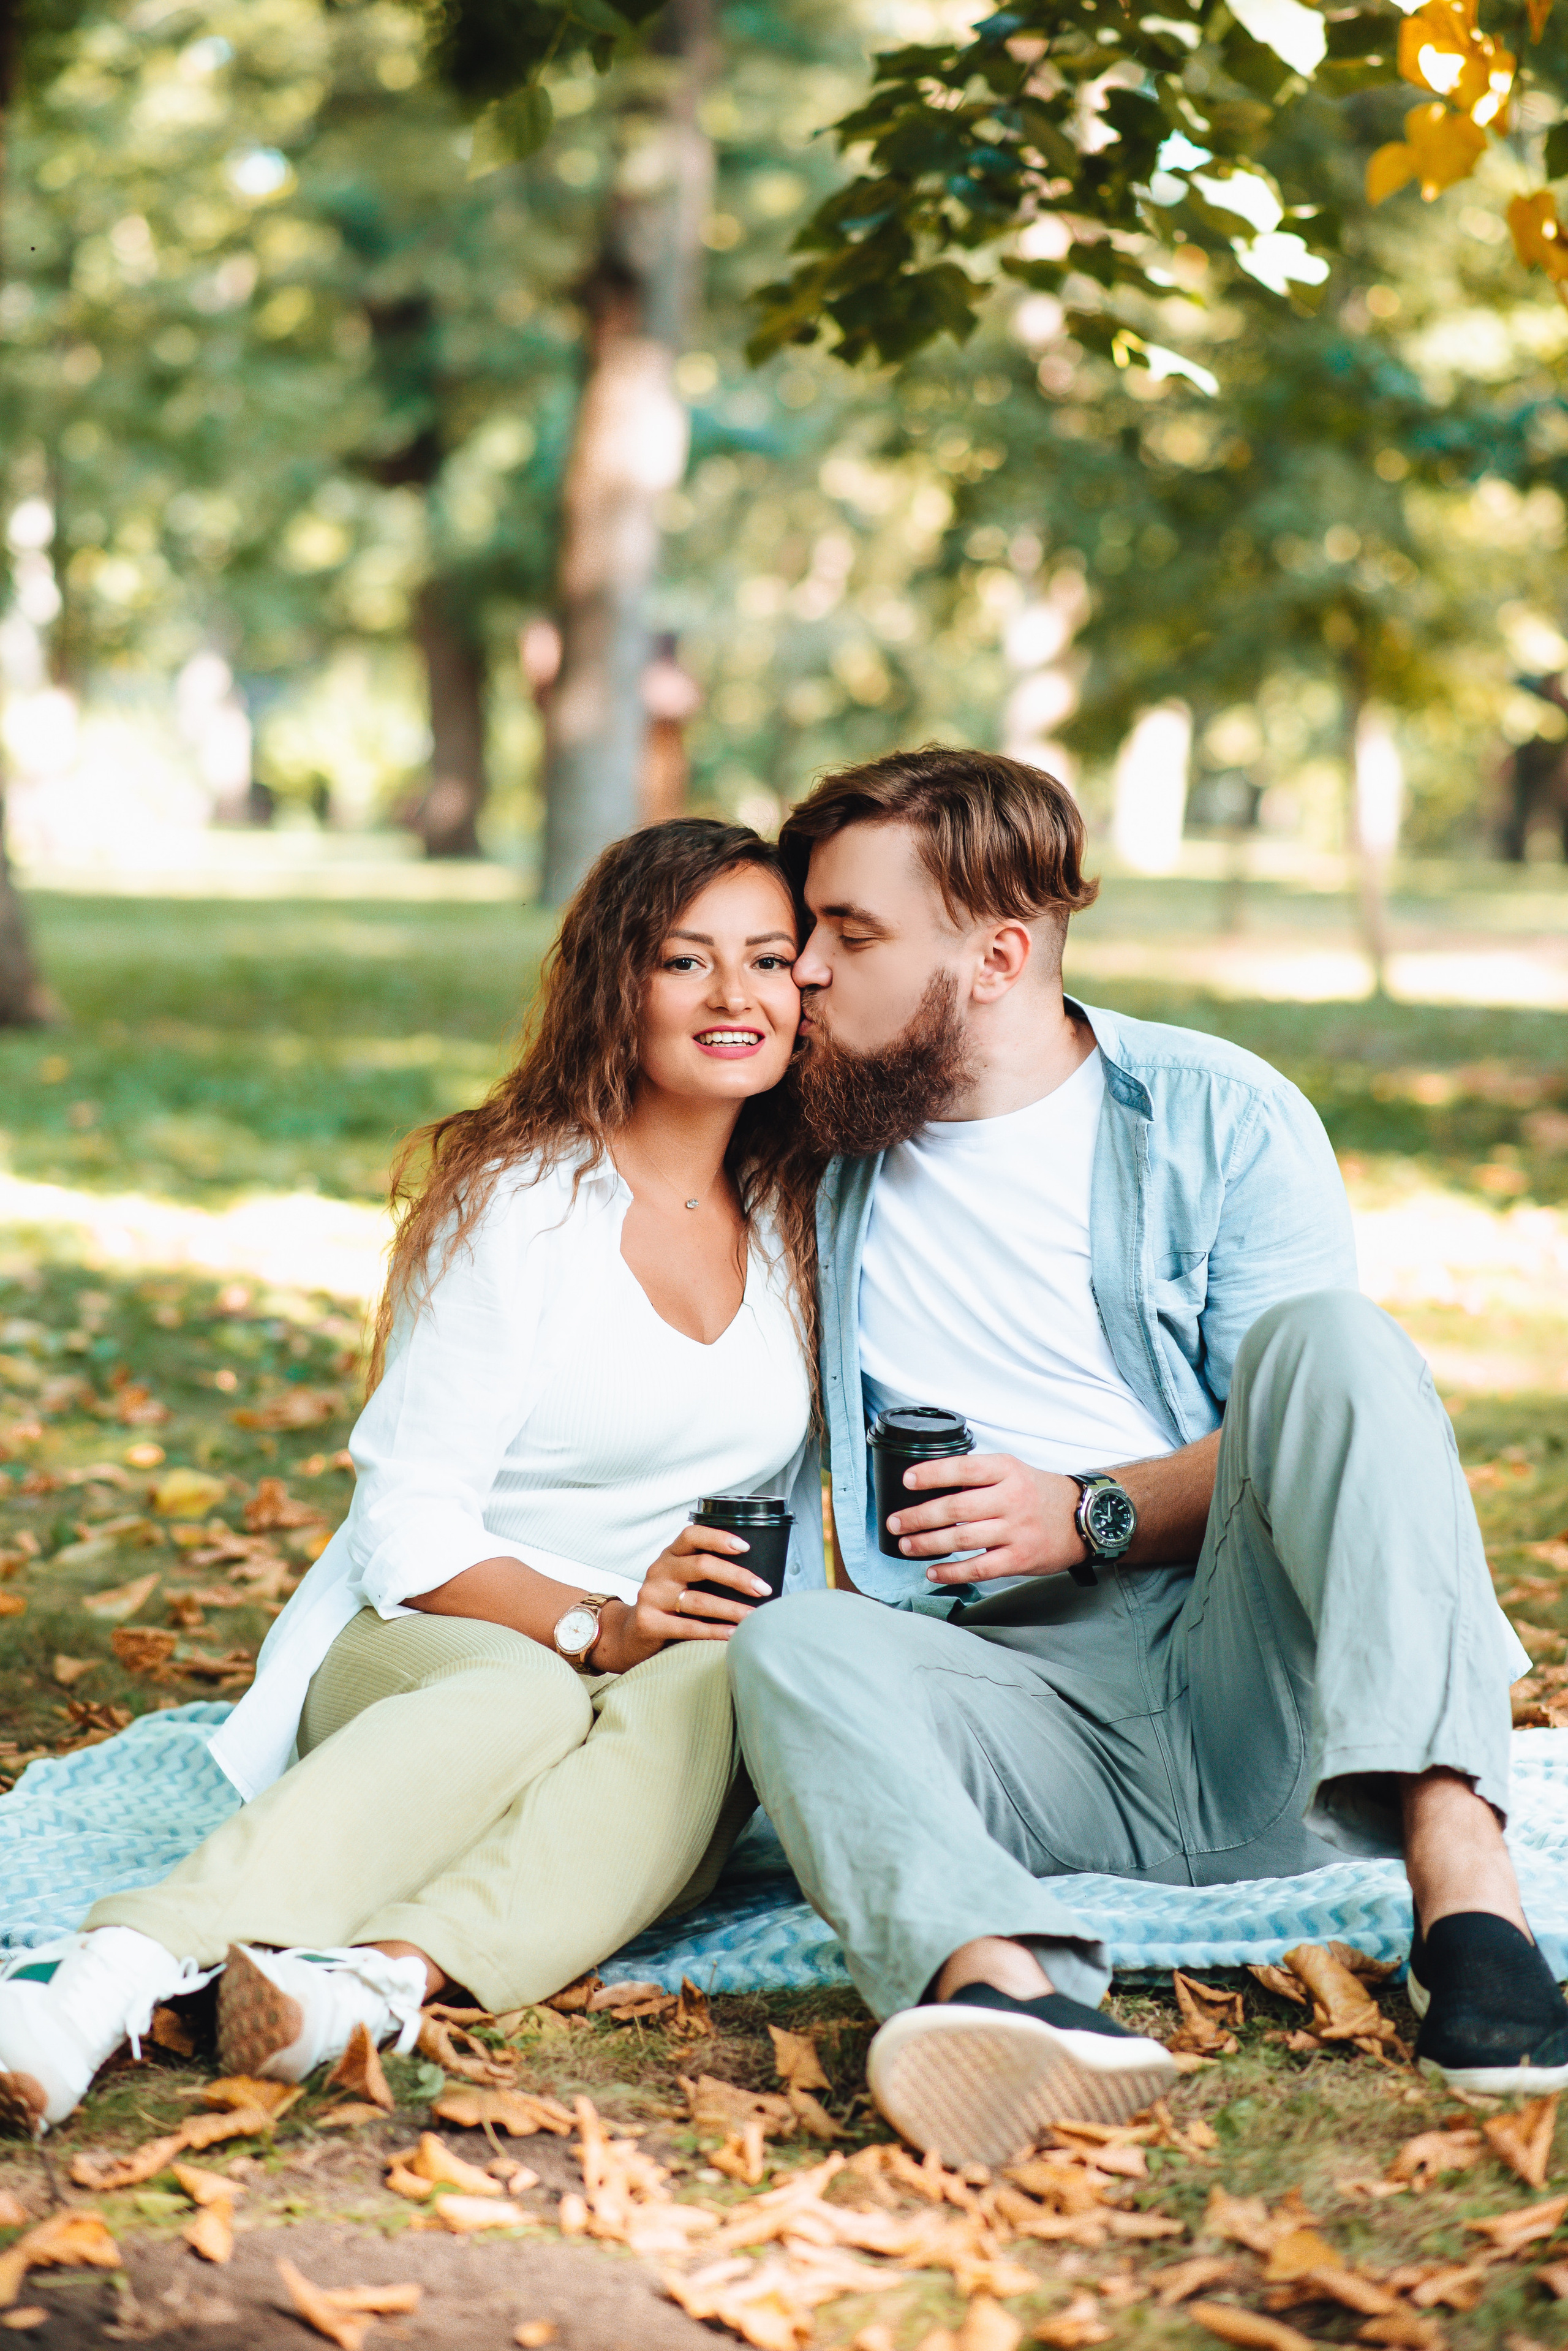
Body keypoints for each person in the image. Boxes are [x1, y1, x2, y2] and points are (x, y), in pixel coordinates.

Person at [729, 745, 1567, 2165]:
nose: (800, 969)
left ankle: (1465, 1892)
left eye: (848, 934)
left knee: (1336, 1342)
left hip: (1254, 1682)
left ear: (997, 955)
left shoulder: (1218, 1114)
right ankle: (1002, 1988)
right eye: (806, 929)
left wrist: (1086, 1510)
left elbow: (1315, 1440)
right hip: (1014, 1711)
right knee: (792, 1644)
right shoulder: (810, 1144)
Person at [0, 819, 823, 2137]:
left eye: (770, 958)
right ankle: (101, 1976)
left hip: (665, 1650)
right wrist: (596, 1626)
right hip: (438, 1629)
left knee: (728, 1678)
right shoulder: (522, 1206)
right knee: (522, 1696)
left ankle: (371, 1985)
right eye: (687, 959)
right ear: (619, 984)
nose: (736, 994)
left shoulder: (800, 1217)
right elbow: (408, 1525)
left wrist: (659, 1637)